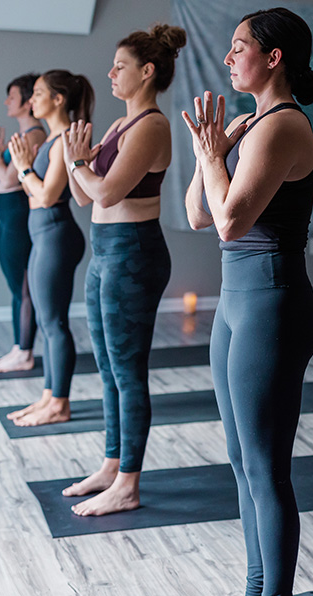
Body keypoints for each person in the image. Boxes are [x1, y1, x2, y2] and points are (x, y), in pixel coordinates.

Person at [182, 8, 313, 596]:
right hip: (235, 303)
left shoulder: (284, 126)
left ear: (273, 57)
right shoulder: (250, 126)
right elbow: (196, 214)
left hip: (273, 302)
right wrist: (206, 153)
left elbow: (233, 221)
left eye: (239, 47)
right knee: (241, 463)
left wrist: (221, 155)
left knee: (267, 468)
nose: (227, 57)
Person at [58, 25, 184, 516]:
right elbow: (84, 194)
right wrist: (77, 166)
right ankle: (112, 466)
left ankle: (129, 483)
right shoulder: (116, 127)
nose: (110, 73)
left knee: (128, 373)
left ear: (147, 72)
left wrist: (76, 163)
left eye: (120, 66)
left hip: (134, 254)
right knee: (109, 370)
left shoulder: (152, 125)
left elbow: (106, 192)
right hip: (104, 251)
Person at [5, 71, 93, 426]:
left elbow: (46, 195)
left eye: (39, 93)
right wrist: (27, 172)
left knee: (54, 323)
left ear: (58, 99)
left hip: (56, 235)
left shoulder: (63, 141)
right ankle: (47, 397)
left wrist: (25, 169)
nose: (32, 99)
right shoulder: (50, 141)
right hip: (43, 235)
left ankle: (60, 403)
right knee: (45, 320)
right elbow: (32, 191)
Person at [0, 74, 46, 373]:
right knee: (16, 288)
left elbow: (7, 180)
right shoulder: (19, 137)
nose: (7, 102)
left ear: (27, 101)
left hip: (19, 219)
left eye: (12, 96)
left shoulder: (34, 136)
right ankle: (17, 347)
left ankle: (24, 351)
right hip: (7, 219)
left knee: (23, 288)